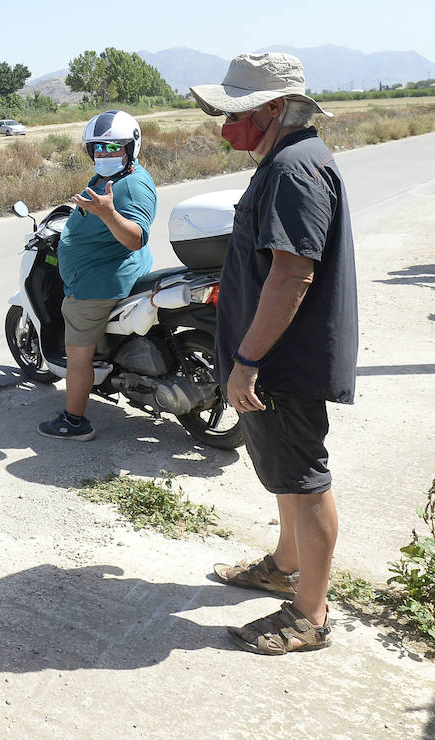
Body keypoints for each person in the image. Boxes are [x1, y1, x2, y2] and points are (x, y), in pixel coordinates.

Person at [190, 52, 357, 654]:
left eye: (234, 113)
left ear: (273, 109)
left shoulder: (292, 169)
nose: (225, 126)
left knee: (305, 480)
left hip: (281, 363)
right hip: (273, 359)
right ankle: (285, 566)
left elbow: (291, 275)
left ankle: (310, 614)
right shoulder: (289, 160)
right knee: (286, 473)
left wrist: (249, 361)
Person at [38, 110, 157, 441]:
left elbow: (136, 237)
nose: (104, 154)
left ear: (131, 148)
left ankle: (74, 421)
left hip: (96, 285)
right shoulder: (117, 177)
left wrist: (108, 213)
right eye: (98, 149)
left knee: (78, 357)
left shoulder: (132, 186)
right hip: (108, 273)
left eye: (113, 148)